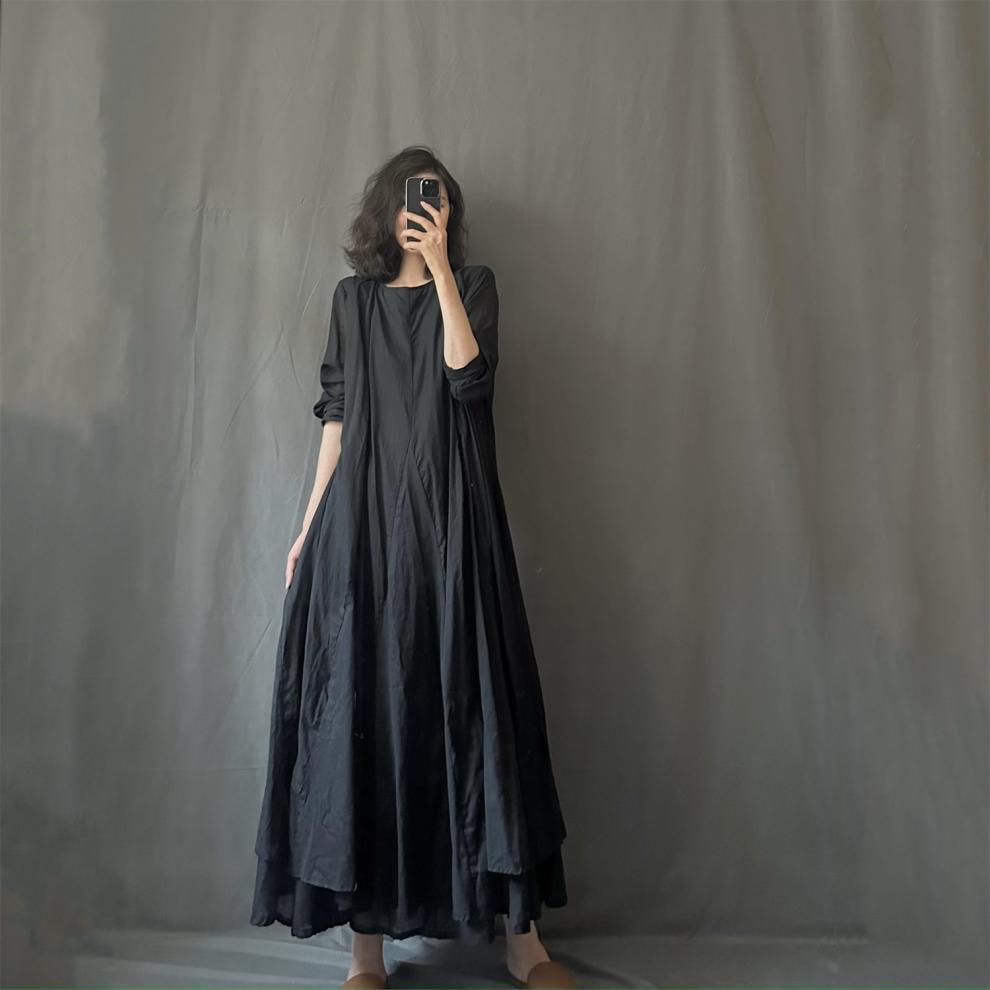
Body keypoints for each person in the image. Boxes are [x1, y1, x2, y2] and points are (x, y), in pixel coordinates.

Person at [250, 146, 574, 990]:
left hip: (455, 528)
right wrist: (307, 528)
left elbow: (469, 381)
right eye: (405, 199)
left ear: (447, 215)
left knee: (480, 716)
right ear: (382, 211)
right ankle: (366, 955)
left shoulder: (474, 288)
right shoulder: (352, 302)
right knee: (368, 715)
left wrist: (441, 275)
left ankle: (523, 944)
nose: (417, 212)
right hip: (364, 530)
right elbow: (337, 416)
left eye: (432, 202)